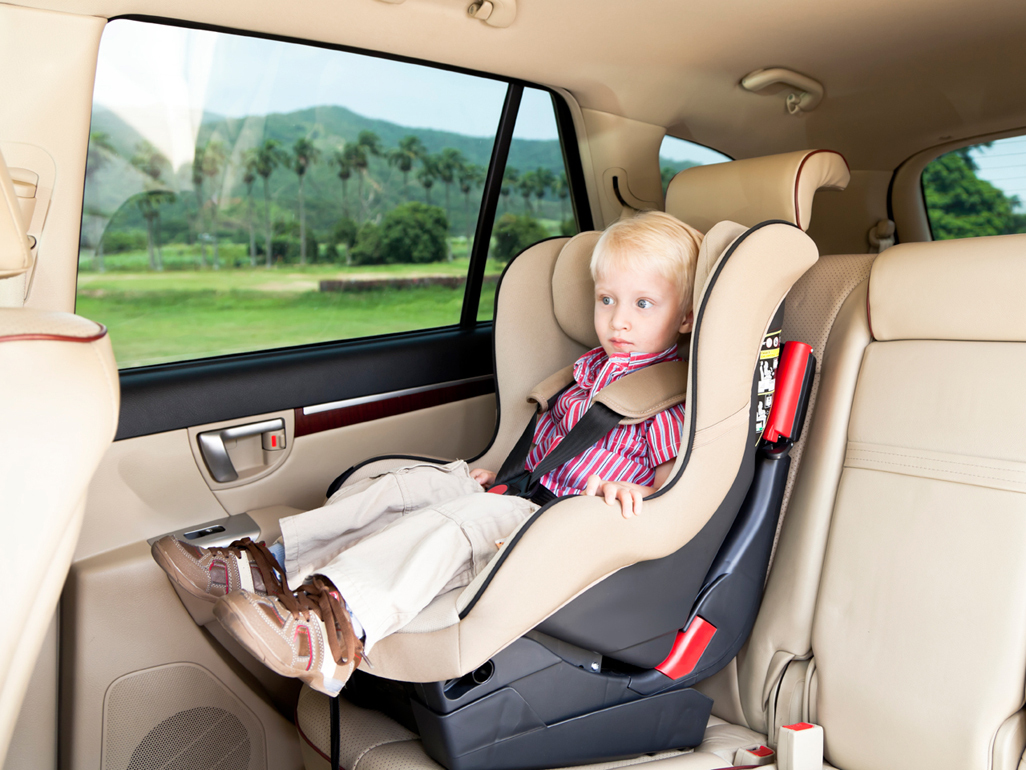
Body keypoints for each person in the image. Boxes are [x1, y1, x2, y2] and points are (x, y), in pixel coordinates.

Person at [152, 210, 704, 696]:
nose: (619, 319)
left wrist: (638, 492)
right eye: (606, 300)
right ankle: (269, 565)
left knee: (457, 522)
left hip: (557, 523)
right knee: (404, 488)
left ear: (682, 318)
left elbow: (671, 484)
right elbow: (549, 439)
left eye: (642, 304)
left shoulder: (665, 401)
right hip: (519, 488)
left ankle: (333, 628)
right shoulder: (586, 372)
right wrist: (499, 473)